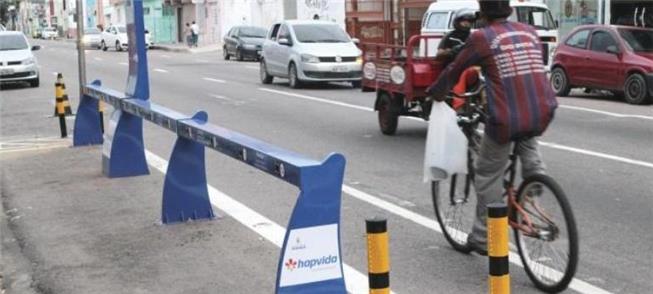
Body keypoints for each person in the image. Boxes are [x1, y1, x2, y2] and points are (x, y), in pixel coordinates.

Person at [426, 0, 558, 255]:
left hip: (508, 118)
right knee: (527, 142)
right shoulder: (528, 31)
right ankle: (535, 186)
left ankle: (481, 237)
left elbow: (455, 69)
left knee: (487, 174)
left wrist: (437, 92)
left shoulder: (482, 38)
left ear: (483, 12)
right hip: (542, 110)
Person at [434, 8, 479, 110]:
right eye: (464, 21)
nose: (467, 24)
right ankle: (459, 105)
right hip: (454, 66)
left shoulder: (473, 36)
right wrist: (452, 51)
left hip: (471, 66)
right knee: (462, 73)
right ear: (458, 21)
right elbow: (439, 54)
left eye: (469, 22)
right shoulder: (450, 36)